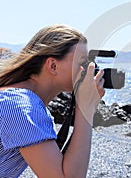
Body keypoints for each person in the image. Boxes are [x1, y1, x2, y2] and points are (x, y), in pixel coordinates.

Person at [0, 24, 105, 177]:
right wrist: (85, 109)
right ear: (53, 65)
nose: (88, 69)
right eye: (82, 62)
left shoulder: (21, 101)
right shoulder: (21, 106)